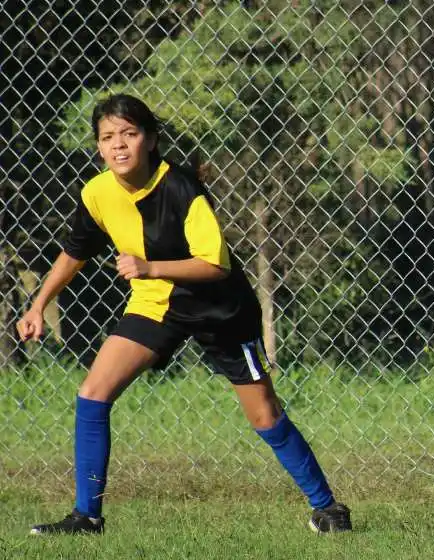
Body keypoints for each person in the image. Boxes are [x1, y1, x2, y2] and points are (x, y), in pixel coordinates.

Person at [18, 94, 351, 535]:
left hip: (218, 309)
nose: (119, 145)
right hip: (156, 304)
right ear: (98, 147)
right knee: (93, 393)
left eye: (130, 134)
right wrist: (39, 304)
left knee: (264, 415)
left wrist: (149, 266)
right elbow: (75, 252)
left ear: (151, 140)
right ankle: (87, 516)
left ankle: (328, 509)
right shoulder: (96, 192)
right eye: (107, 137)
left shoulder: (179, 188)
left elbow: (215, 264)